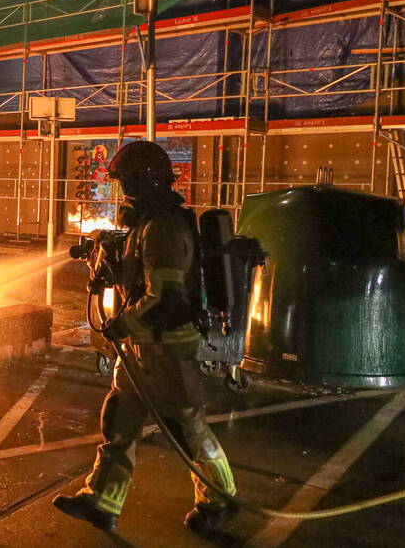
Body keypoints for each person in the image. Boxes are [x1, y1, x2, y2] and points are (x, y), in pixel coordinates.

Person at [53, 140, 237, 535]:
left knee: (189, 427)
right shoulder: (148, 224)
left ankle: (219, 500)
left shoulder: (164, 227)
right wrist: (110, 263)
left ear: (144, 181)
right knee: (119, 419)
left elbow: (163, 296)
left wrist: (123, 326)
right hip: (142, 346)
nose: (123, 191)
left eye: (127, 182)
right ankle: (102, 500)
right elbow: (140, 280)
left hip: (167, 345)